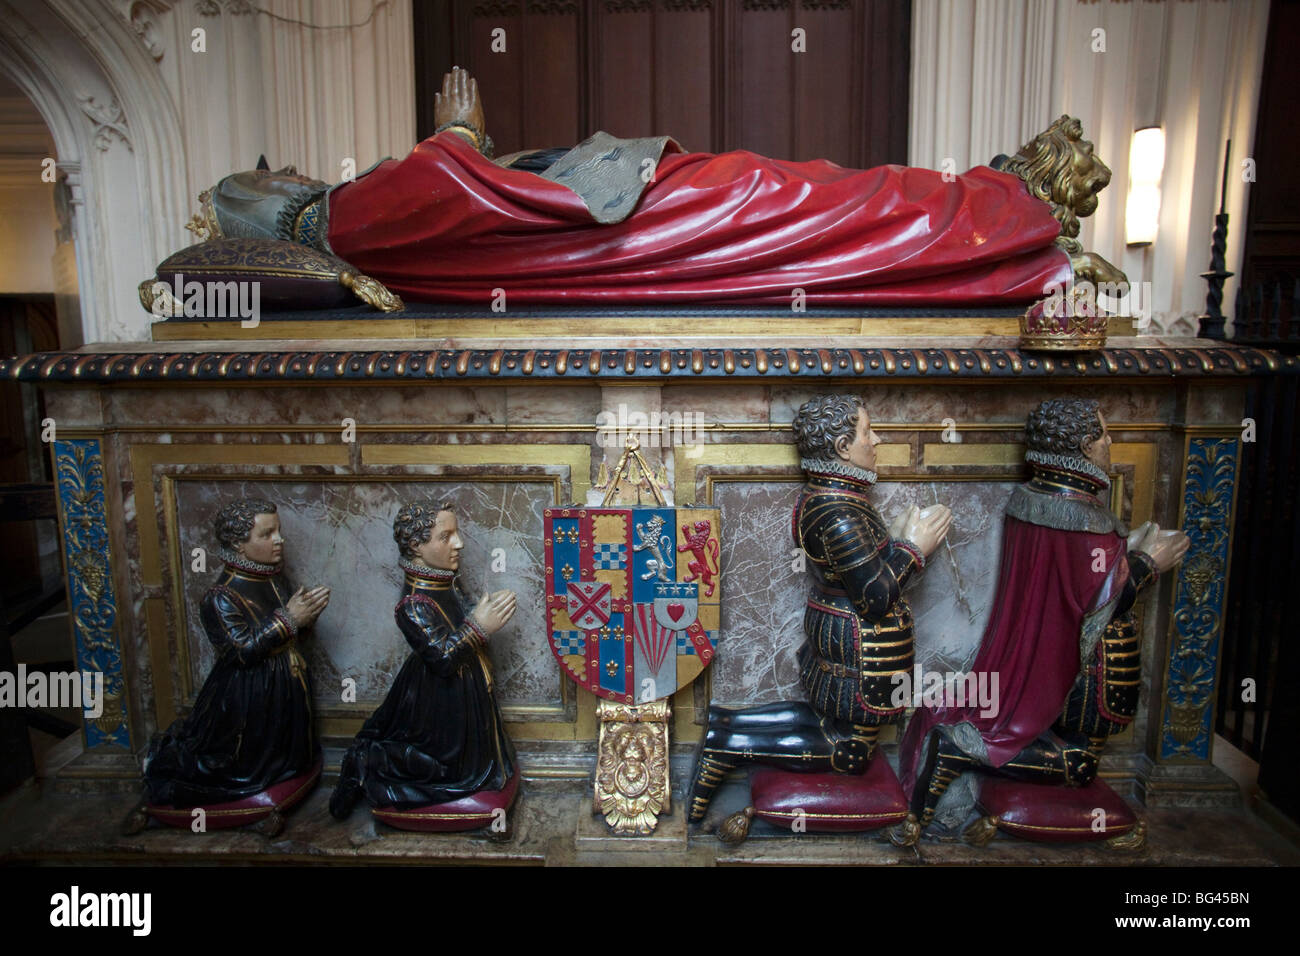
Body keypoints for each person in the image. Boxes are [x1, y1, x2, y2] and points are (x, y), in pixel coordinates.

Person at [186, 68, 1125, 307]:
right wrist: (459, 135)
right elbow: (447, 190)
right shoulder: (340, 217)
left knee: (814, 199)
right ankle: (1003, 221)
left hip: (614, 212)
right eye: (270, 177)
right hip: (619, 224)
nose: (292, 170)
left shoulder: (349, 216)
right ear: (268, 203)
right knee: (803, 202)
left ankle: (996, 215)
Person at [897, 398, 1189, 839]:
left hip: (1026, 655)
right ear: (1083, 447)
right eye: (1104, 434)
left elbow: (1072, 579)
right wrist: (1148, 562)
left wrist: (1122, 557)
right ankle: (961, 752)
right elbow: (1100, 600)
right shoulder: (1085, 517)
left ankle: (961, 749)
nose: (1111, 442)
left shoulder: (1032, 498)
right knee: (1081, 763)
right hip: (1068, 665)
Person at [688, 394, 951, 821]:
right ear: (843, 448)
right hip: (859, 643)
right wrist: (913, 549)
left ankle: (728, 725)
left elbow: (862, 569)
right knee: (851, 751)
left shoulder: (835, 498)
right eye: (868, 432)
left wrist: (897, 543)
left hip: (844, 634)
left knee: (828, 723)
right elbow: (874, 596)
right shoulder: (837, 511)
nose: (878, 440)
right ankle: (730, 747)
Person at [330, 500, 517, 817]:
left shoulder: (444, 580)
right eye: (446, 537)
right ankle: (368, 761)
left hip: (461, 690)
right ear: (416, 545)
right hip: (437, 697)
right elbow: (443, 657)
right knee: (444, 766)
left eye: (456, 533)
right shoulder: (413, 604)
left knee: (471, 762)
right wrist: (478, 626)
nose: (458, 543)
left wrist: (480, 611)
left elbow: (458, 619)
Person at [140, 499, 329, 809]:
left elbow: (286, 633)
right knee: (243, 765)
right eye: (267, 534)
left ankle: (283, 771)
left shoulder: (273, 579)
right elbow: (241, 651)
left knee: (284, 755)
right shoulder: (221, 597)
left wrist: (305, 618)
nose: (279, 540)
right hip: (248, 698)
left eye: (277, 531)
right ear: (239, 544)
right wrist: (289, 619)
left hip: (282, 687)